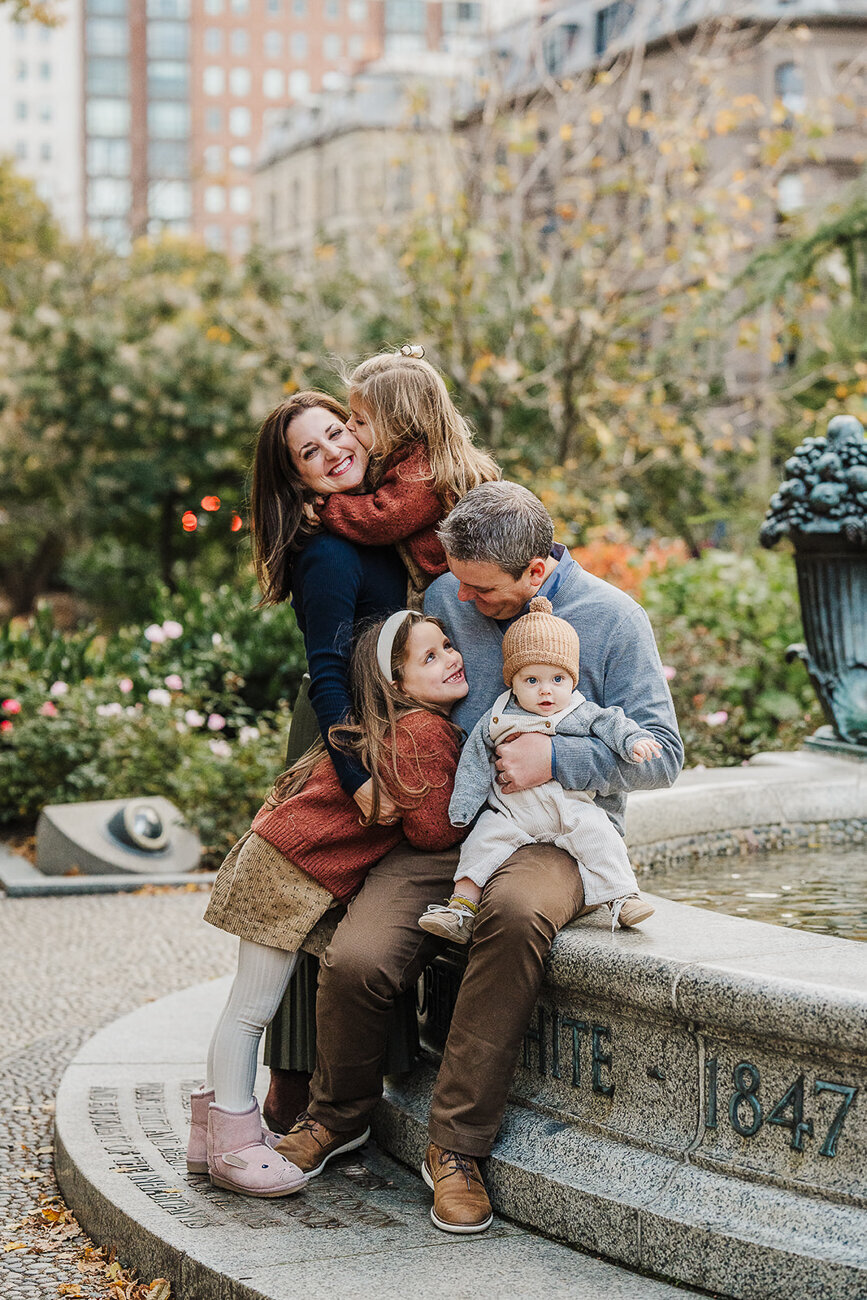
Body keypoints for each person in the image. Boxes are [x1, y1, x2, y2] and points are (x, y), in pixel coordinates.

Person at [274, 481, 683, 1234]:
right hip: (450, 828)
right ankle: (338, 1117)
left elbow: (664, 759)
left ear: (535, 571)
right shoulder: (449, 592)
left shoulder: (613, 619)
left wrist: (555, 757)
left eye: (477, 588)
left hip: (556, 834)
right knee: (359, 958)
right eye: (453, 581)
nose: (456, 598)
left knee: (516, 913)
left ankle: (454, 1150)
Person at [261, 354, 499, 1127]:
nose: (336, 447)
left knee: (360, 895)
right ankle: (294, 1085)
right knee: (314, 899)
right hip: (341, 728)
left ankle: (356, 1076)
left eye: (341, 428)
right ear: (296, 479)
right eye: (313, 450)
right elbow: (327, 668)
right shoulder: (330, 544)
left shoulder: (385, 509)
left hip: (384, 721)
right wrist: (352, 763)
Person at [187, 610, 468, 1196]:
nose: (450, 658)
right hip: (288, 872)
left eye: (446, 645)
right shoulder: (425, 732)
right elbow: (432, 832)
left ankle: (206, 1137)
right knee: (251, 1010)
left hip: (278, 858)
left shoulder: (391, 724)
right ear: (396, 684)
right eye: (429, 657)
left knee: (242, 1003)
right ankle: (236, 1145)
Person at [418, 595, 660, 945]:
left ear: (572, 681)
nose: (546, 690)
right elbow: (473, 761)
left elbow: (612, 723)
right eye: (532, 680)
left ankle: (622, 897)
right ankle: (461, 907)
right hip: (512, 812)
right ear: (512, 682)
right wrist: (464, 805)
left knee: (599, 834)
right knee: (481, 841)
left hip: (569, 806)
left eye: (558, 679)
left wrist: (633, 741)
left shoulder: (578, 711)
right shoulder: (498, 716)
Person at [317, 345, 499, 599]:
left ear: (398, 426)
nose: (348, 426)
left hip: (452, 587)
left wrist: (327, 505)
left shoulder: (422, 473)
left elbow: (384, 518)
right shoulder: (409, 457)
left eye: (359, 421)